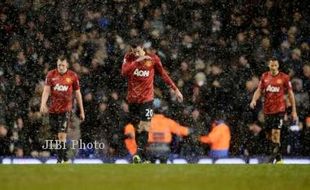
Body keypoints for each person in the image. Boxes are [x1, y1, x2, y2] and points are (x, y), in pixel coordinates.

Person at [121, 40, 183, 163]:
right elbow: (123, 73)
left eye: (138, 51)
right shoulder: (129, 58)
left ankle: (138, 153)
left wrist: (175, 89)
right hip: (133, 100)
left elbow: (163, 74)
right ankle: (143, 157)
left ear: (143, 48)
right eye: (133, 51)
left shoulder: (153, 59)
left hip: (147, 99)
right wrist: (135, 62)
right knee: (137, 128)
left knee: (145, 126)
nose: (136, 54)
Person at [250, 57, 298, 163]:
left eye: (275, 65)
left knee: (276, 134)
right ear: (269, 65)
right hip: (267, 111)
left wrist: (294, 111)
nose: (273, 67)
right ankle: (277, 156)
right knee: (269, 136)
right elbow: (259, 90)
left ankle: (275, 159)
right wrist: (254, 100)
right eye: (272, 65)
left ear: (278, 66)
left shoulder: (284, 78)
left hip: (279, 110)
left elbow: (290, 94)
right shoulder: (264, 76)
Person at [40, 55, 85, 163]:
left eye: (63, 65)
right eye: (59, 65)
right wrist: (43, 104)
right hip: (53, 110)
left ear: (67, 65)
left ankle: (59, 160)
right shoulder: (51, 75)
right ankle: (65, 158)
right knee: (57, 136)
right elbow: (46, 91)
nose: (60, 67)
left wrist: (82, 110)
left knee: (61, 135)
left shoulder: (72, 76)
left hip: (66, 110)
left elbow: (78, 93)